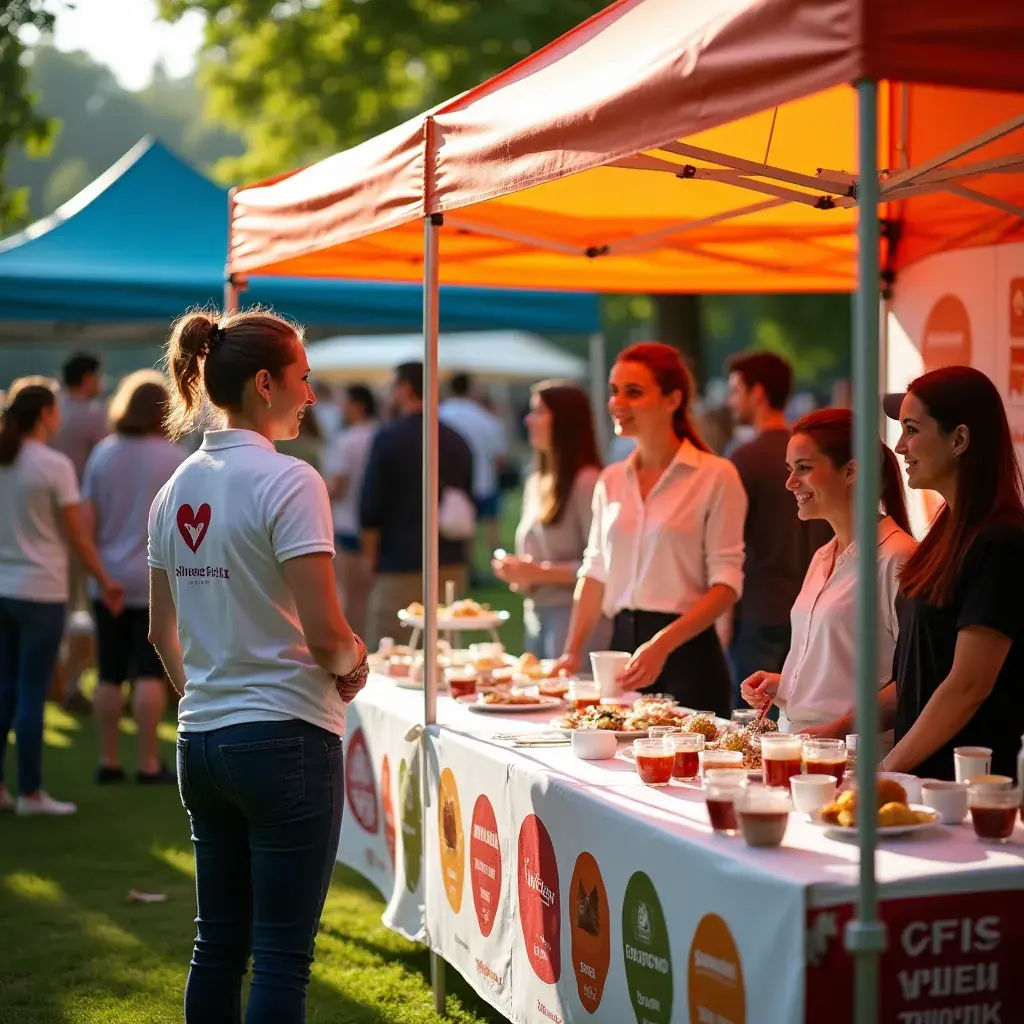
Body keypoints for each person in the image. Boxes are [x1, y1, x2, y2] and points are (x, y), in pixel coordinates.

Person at [147, 309, 367, 1024]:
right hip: (284, 739)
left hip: (202, 742)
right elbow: (327, 634)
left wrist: (206, 699)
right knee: (280, 957)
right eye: (303, 379)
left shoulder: (174, 486)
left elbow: (160, 632)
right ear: (266, 383)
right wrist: (356, 659)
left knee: (217, 946)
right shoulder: (290, 480)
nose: (311, 394)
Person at [559, 343, 747, 715]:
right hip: (620, 651)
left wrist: (662, 644)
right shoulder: (610, 480)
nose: (618, 402)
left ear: (672, 399)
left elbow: (726, 586)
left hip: (687, 655)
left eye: (634, 392)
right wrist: (571, 651)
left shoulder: (716, 476)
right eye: (614, 391)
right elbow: (595, 572)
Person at [879, 366, 1024, 780]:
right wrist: (835, 731)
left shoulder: (1001, 542)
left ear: (959, 439)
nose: (901, 446)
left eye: (911, 429)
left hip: (970, 797)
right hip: (925, 788)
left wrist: (886, 771)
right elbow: (919, 678)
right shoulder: (947, 533)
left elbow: (967, 686)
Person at [740, 409, 916, 742]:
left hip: (854, 759)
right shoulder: (823, 556)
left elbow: (916, 680)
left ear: (851, 470)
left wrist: (838, 729)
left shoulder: (898, 558)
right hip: (797, 746)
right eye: (790, 470)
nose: (790, 482)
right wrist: (784, 683)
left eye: (803, 468)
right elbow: (839, 668)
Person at [0, 378, 123, 816]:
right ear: (45, 414)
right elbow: (78, 536)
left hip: (4, 588)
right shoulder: (52, 466)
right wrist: (105, 580)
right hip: (40, 590)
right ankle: (31, 792)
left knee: (6, 687)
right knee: (32, 692)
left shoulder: (9, 460)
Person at [82, 371, 186, 785]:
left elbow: (87, 522)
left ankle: (108, 759)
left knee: (108, 671)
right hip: (153, 579)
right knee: (148, 671)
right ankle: (146, 761)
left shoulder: (103, 454)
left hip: (107, 579)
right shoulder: (173, 458)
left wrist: (100, 574)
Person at [725, 353, 832, 705]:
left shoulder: (743, 459)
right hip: (810, 606)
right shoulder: (813, 455)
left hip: (758, 611)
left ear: (757, 392)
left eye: (736, 390)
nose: (730, 400)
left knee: (752, 723)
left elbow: (727, 542)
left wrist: (723, 618)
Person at [493, 381, 611, 659]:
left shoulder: (588, 482)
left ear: (565, 421)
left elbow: (602, 565)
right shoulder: (537, 479)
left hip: (575, 622)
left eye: (539, 412)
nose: (528, 419)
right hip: (537, 615)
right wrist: (519, 572)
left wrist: (537, 572)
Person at [360, 362, 474, 650]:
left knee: (392, 653)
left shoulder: (389, 438)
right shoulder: (457, 438)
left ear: (406, 388)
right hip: (450, 558)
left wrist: (369, 559)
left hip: (400, 563)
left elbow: (371, 507)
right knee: (442, 653)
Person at [50, 351, 109, 714]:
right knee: (80, 609)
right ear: (88, 378)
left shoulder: (53, 410)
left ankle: (55, 684)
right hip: (81, 525)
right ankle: (70, 685)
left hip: (47, 522)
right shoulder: (92, 416)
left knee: (59, 607)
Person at [323, 384, 378, 641]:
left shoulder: (347, 440)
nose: (340, 409)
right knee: (365, 596)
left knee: (349, 597)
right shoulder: (378, 434)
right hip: (374, 524)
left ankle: (355, 650)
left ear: (358, 405)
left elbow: (338, 485)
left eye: (345, 403)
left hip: (347, 524)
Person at [439, 372, 508, 568]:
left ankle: (468, 568)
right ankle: (497, 566)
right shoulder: (486, 418)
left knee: (462, 528)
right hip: (485, 480)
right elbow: (500, 458)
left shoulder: (439, 415)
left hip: (453, 483)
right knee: (491, 527)